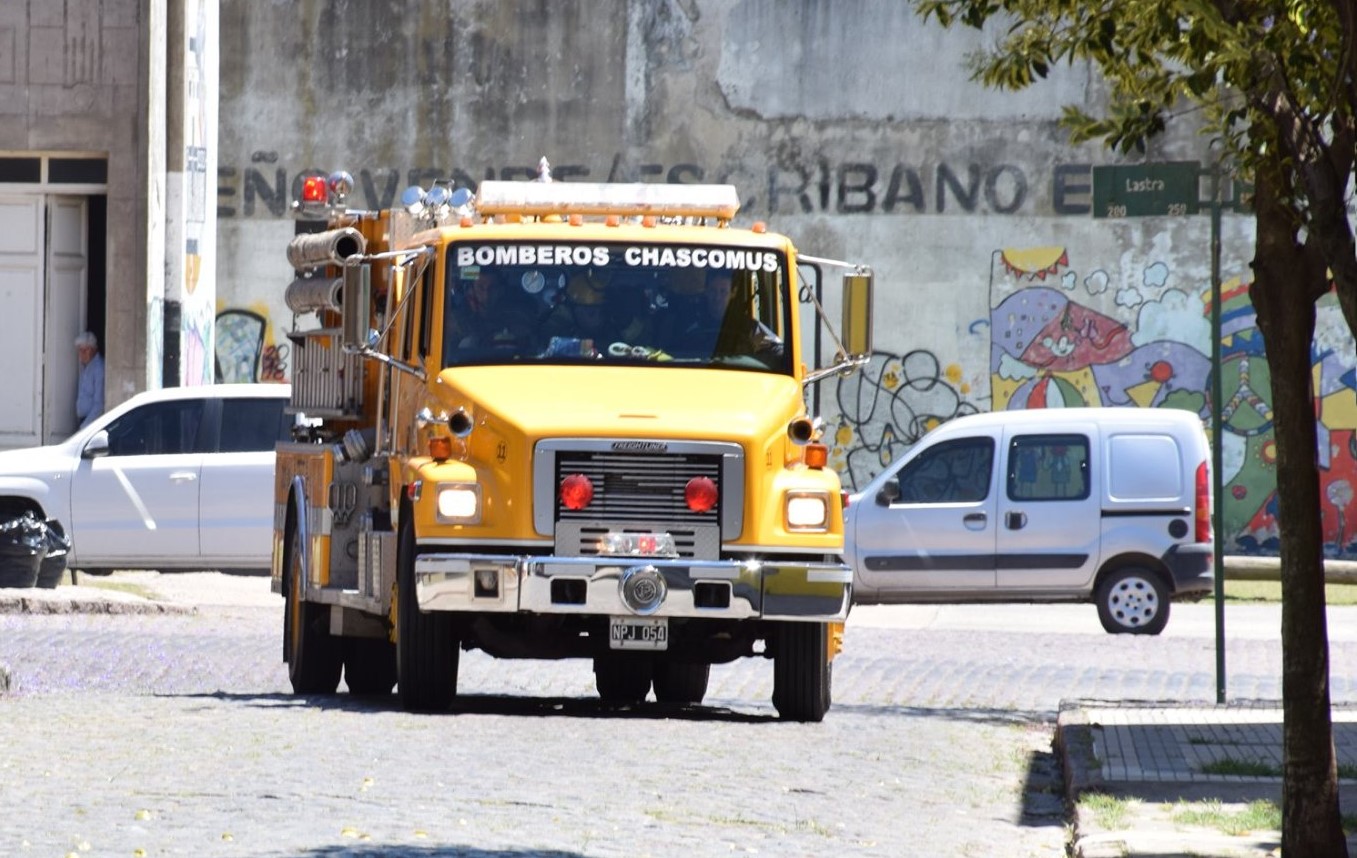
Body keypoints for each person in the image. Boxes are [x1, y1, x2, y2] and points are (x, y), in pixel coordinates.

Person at [75, 331, 105, 429]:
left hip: (91, 424)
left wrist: (84, 427)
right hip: (84, 422)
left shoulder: (98, 368)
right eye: (80, 350)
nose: (82, 353)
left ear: (94, 349)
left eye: (86, 350)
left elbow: (99, 404)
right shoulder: (85, 367)